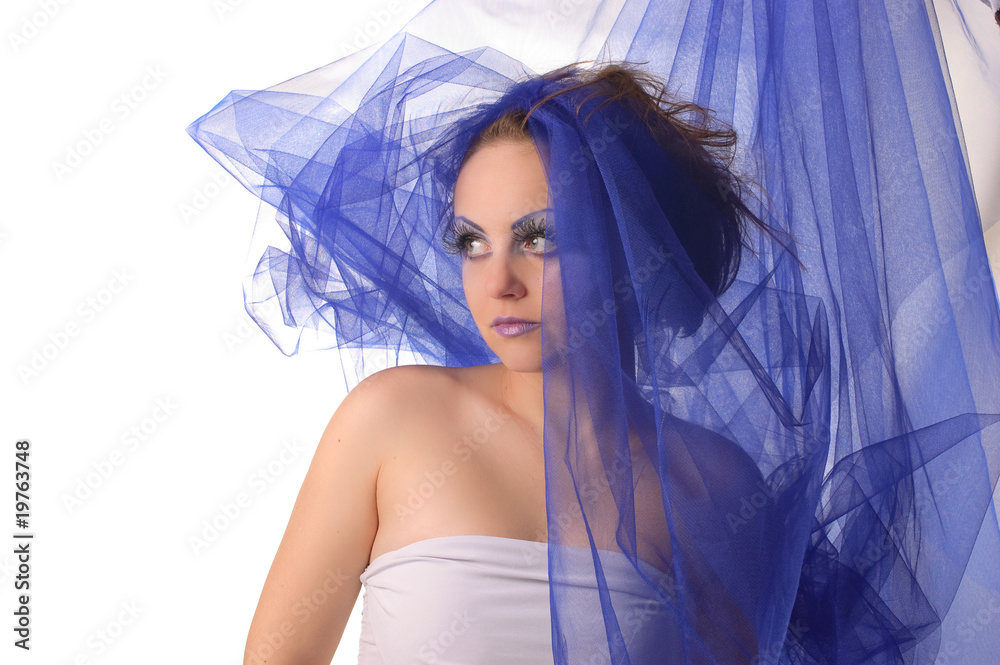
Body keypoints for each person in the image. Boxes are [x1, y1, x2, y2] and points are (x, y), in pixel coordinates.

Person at [187, 3, 1000, 663]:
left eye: (539, 236)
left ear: (633, 245)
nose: (498, 281)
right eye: (471, 241)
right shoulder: (392, 419)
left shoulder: (715, 483)